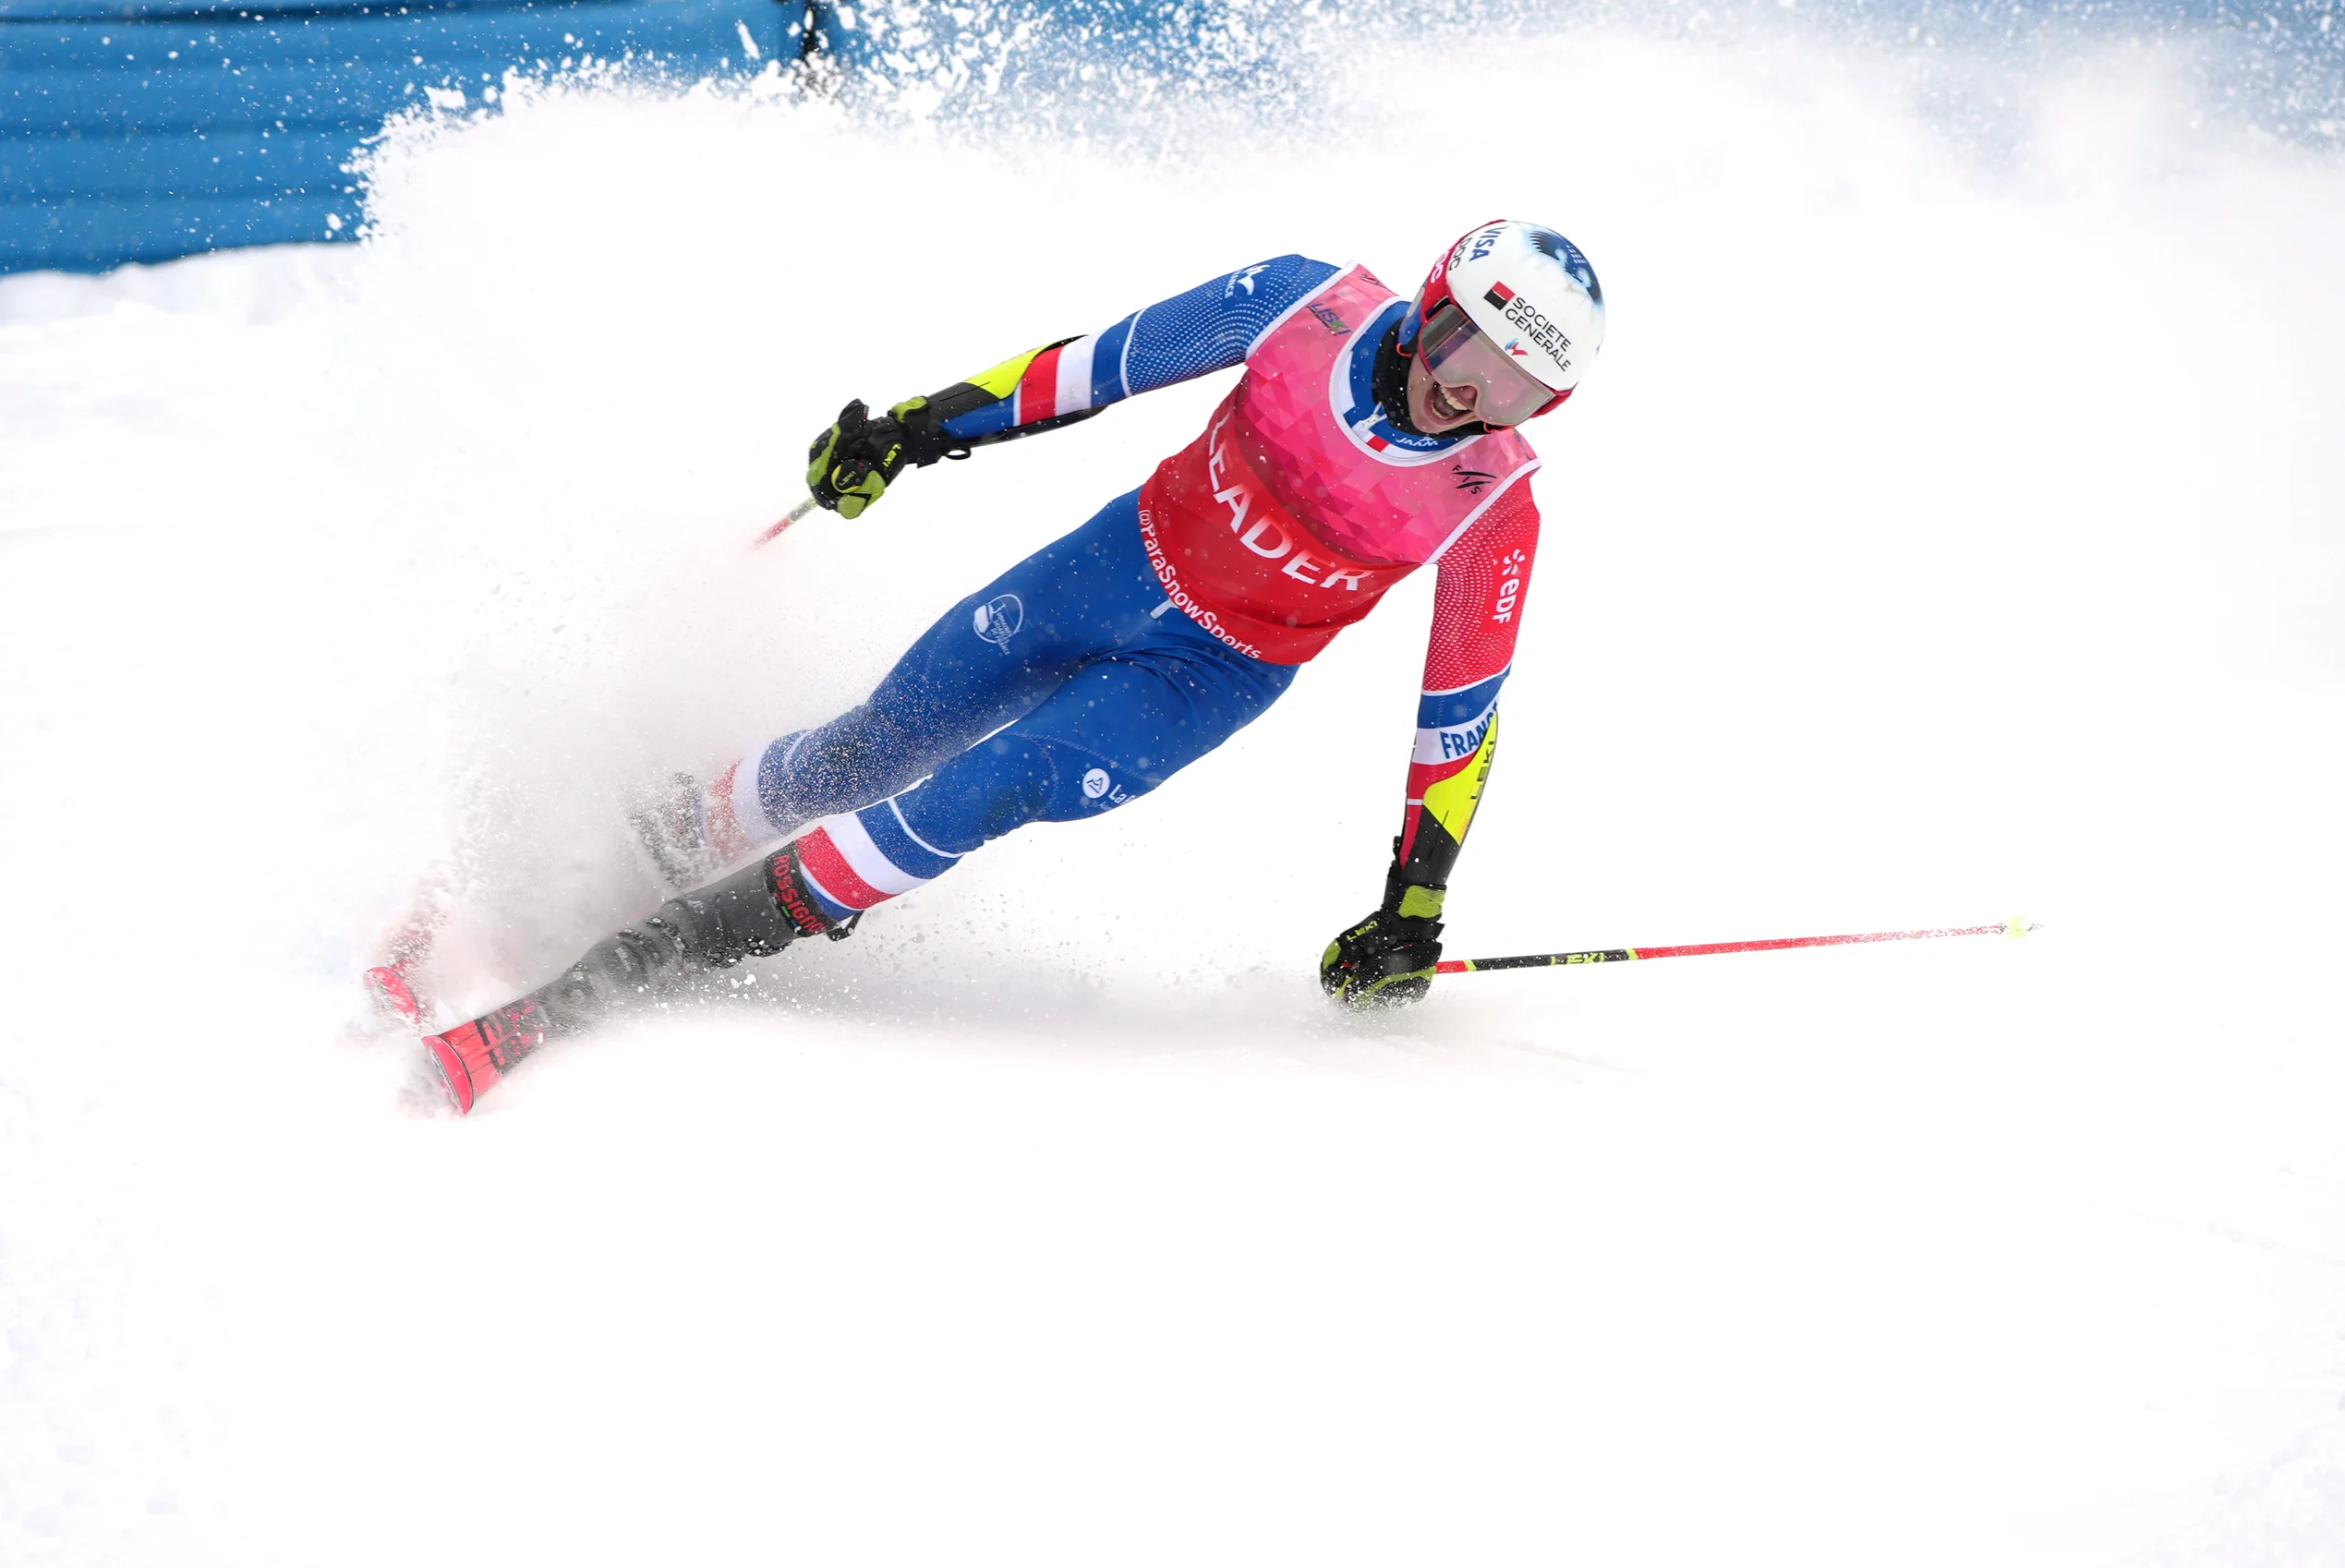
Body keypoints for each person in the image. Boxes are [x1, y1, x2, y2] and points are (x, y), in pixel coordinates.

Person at [418, 221, 1607, 1111]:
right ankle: (633, 845)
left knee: (989, 786)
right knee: (869, 746)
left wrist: (1415, 902)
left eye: (1517, 389)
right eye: (1465, 348)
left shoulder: (1491, 502)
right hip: (1108, 564)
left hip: (1204, 675)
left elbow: (1458, 717)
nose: (1467, 394)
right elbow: (1094, 368)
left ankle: (668, 949)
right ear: (1431, 296)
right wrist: (916, 428)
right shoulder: (1308, 308)